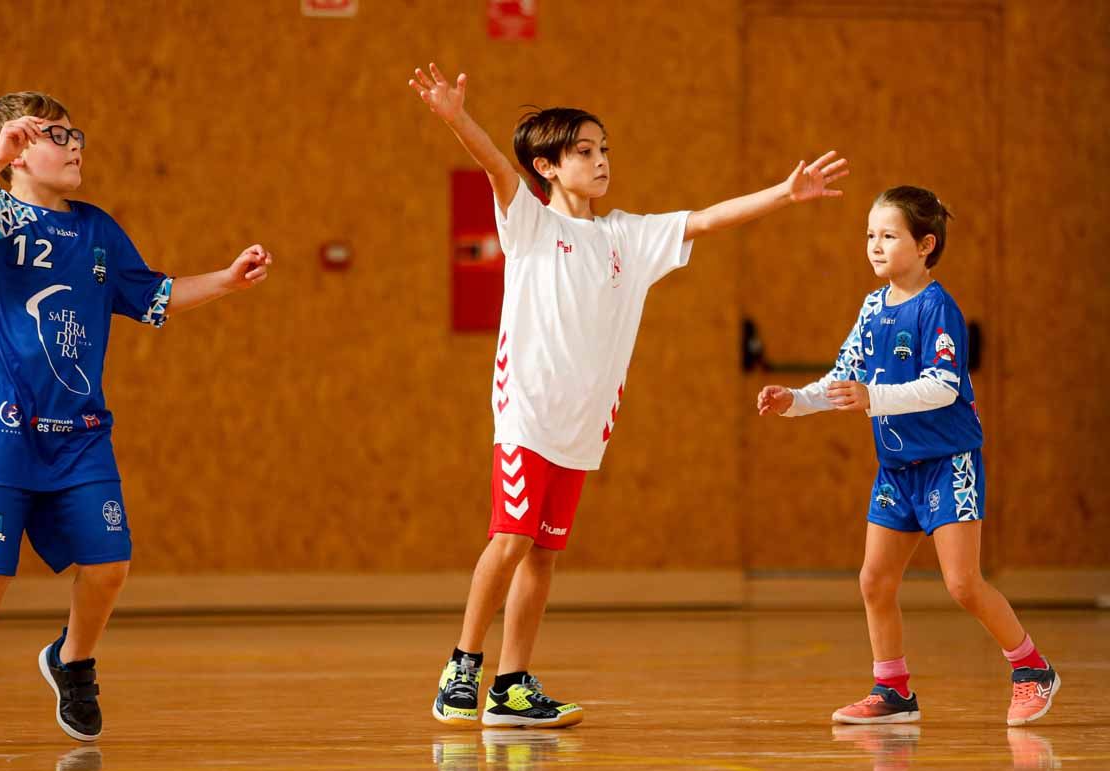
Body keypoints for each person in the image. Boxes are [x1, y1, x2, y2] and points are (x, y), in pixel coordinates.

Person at [410, 63, 848, 727]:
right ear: (548, 165)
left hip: (584, 429)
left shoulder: (629, 238)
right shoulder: (529, 225)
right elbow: (498, 165)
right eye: (584, 151)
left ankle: (512, 686)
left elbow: (705, 220)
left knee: (545, 555)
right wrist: (455, 118)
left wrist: (784, 194)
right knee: (509, 539)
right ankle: (460, 669)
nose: (601, 159)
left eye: (605, 148)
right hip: (528, 416)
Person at [0, 91, 272, 746]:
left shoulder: (96, 230)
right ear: (16, 151)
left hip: (80, 433)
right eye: (54, 135)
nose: (74, 143)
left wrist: (226, 281)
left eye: (74, 132)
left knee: (110, 561)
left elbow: (157, 297)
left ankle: (73, 661)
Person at [756, 185, 1058, 726]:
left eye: (888, 235)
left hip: (948, 462)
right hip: (898, 470)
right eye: (869, 235)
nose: (874, 245)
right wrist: (795, 402)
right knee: (874, 580)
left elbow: (943, 385)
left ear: (925, 245)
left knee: (963, 583)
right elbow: (844, 376)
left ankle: (1033, 670)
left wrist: (876, 398)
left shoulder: (938, 308)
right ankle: (893, 691)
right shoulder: (872, 307)